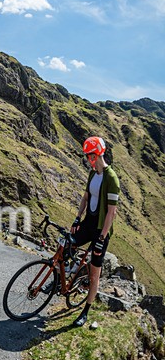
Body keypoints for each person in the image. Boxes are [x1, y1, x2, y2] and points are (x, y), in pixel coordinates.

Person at [69, 136, 121, 327]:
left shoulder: (112, 178)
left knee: (94, 275)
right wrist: (77, 218)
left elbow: (111, 213)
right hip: (87, 223)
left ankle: (85, 312)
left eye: (89, 155)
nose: (87, 159)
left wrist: (101, 237)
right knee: (68, 244)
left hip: (100, 229)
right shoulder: (92, 174)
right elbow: (85, 197)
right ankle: (62, 280)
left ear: (97, 154)